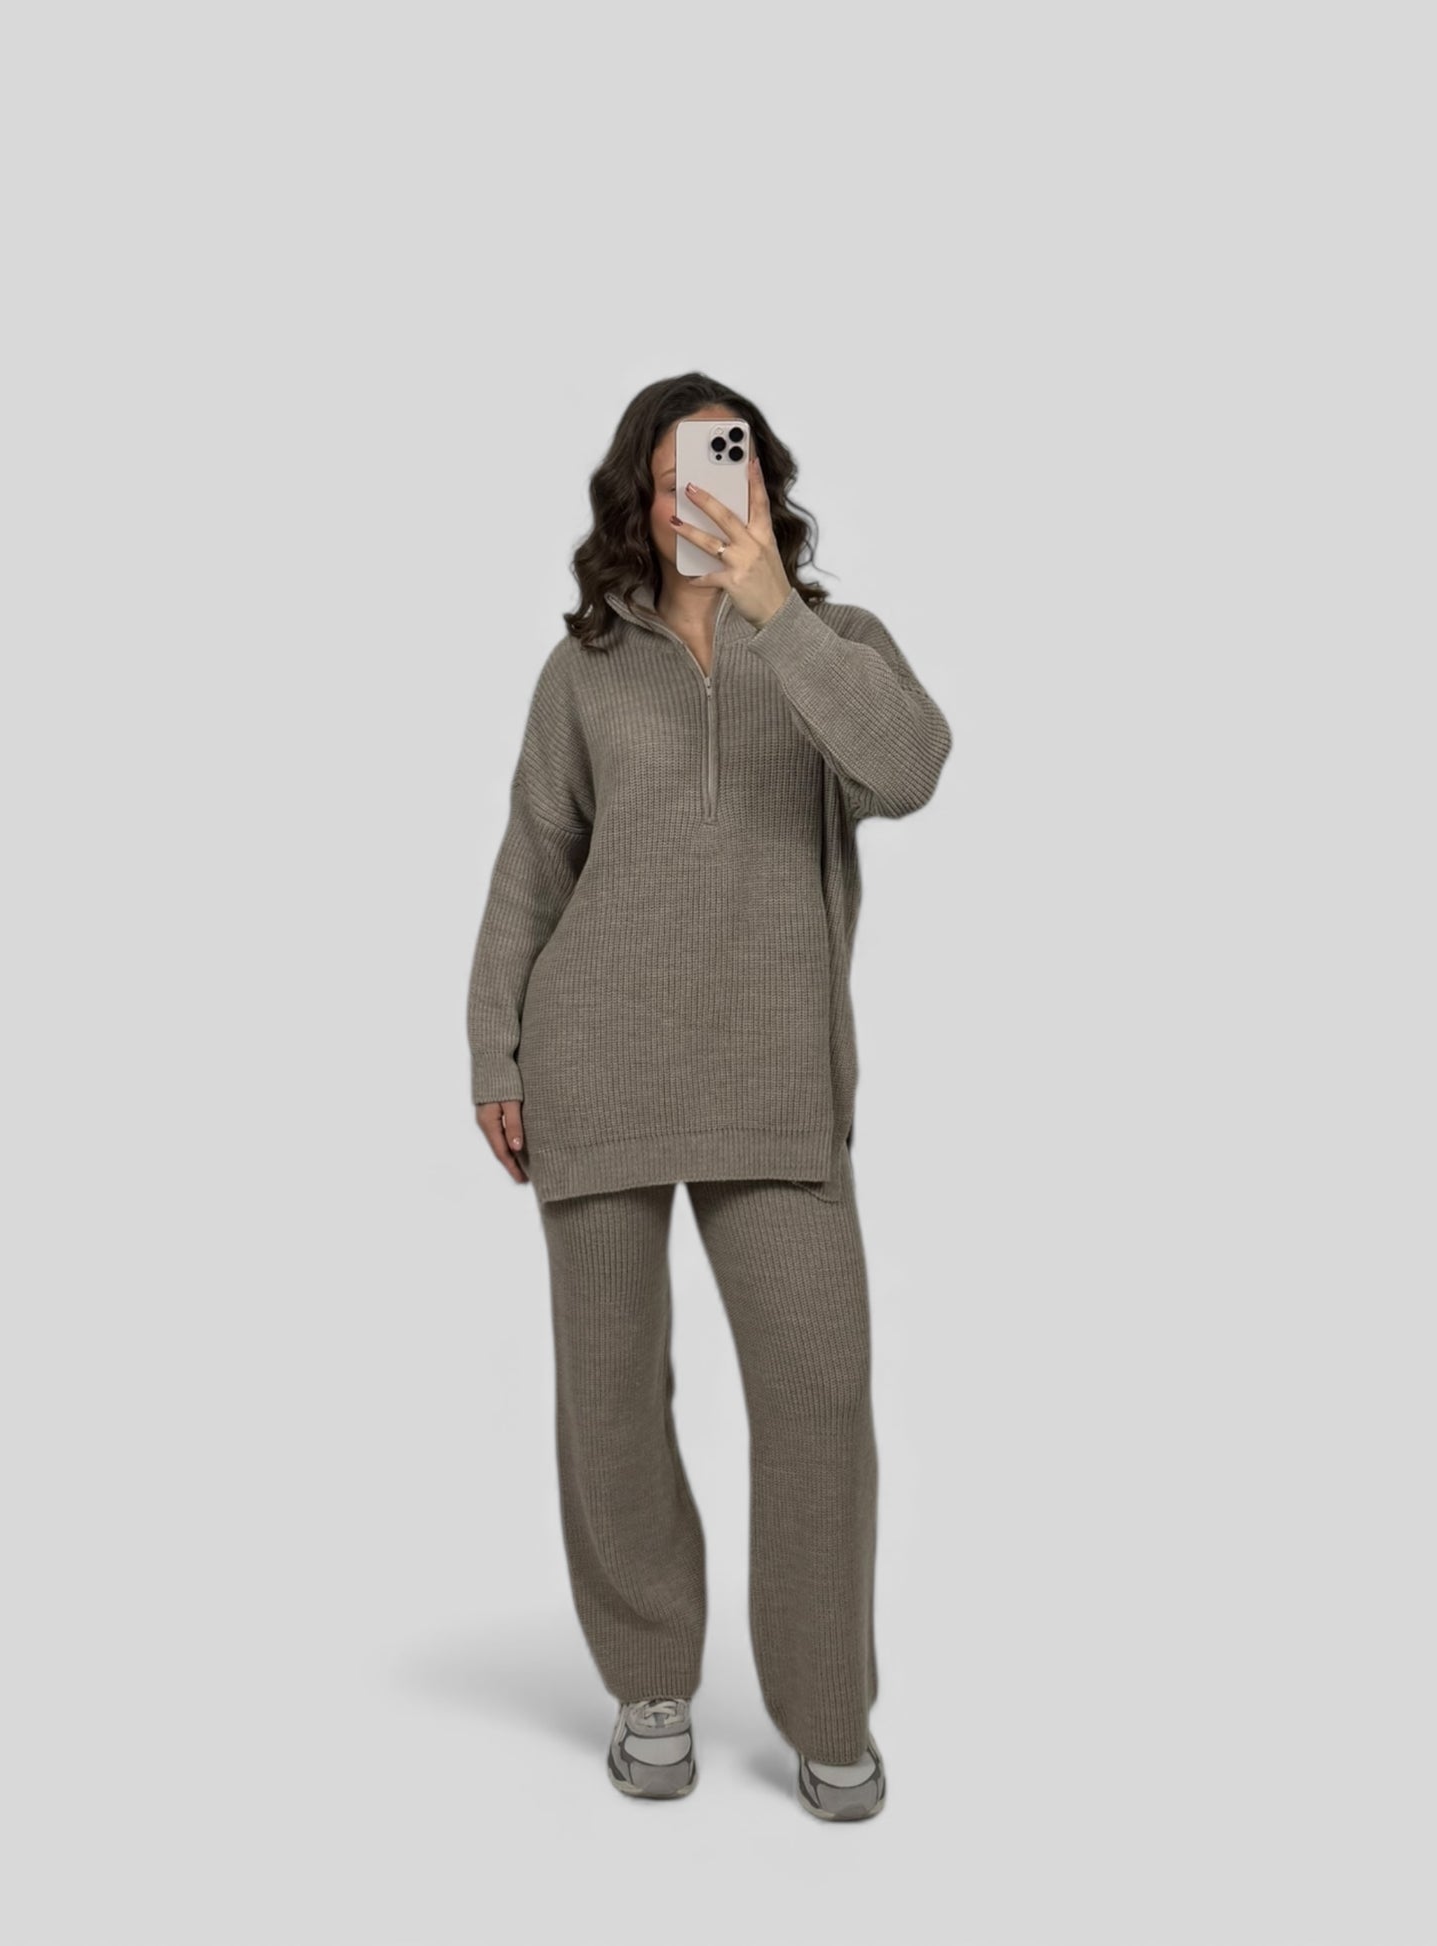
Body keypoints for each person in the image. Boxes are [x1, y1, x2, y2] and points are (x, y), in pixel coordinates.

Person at [465, 375, 952, 1822]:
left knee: (819, 1395)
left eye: (726, 468)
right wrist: (494, 1047)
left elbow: (911, 770)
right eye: (679, 474)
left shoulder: (831, 645)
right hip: (595, 1065)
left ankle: (826, 1709)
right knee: (611, 1394)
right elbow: (533, 861)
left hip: (774, 1075)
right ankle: (650, 1685)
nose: (704, 497)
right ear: (641, 490)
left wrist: (773, 614)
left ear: (762, 485)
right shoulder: (583, 670)